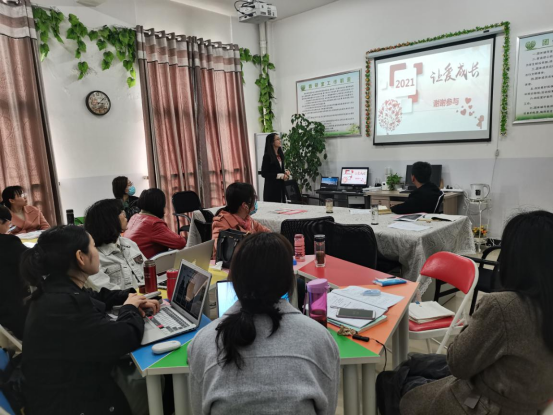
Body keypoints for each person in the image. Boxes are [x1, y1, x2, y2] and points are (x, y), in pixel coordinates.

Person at [399, 210, 553, 415]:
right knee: (414, 363)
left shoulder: (504, 307)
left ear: (513, 258)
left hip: (485, 404)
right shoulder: (537, 304)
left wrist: (477, 320)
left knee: (396, 382)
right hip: (526, 400)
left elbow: (458, 364)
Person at [188, 232, 340, 414]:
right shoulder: (321, 339)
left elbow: (198, 409)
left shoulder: (202, 342)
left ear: (234, 280)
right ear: (288, 280)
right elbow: (328, 409)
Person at [21, 225, 160, 415]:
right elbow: (124, 338)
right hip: (74, 403)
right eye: (93, 246)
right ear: (81, 257)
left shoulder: (55, 288)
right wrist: (130, 308)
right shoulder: (65, 306)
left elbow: (95, 296)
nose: (97, 252)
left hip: (66, 387)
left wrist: (130, 296)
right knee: (160, 385)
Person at [85, 199, 146, 291]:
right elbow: (106, 293)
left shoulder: (129, 244)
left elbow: (149, 273)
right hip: (126, 299)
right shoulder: (94, 257)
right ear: (109, 220)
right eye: (120, 212)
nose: (125, 214)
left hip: (147, 295)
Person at [124, 188, 186, 259]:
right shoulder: (153, 224)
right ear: (159, 205)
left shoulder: (134, 217)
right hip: (147, 263)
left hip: (131, 261)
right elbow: (180, 243)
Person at [212, 182, 270, 256]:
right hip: (231, 262)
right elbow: (221, 247)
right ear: (244, 205)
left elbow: (267, 233)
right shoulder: (221, 223)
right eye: (253, 198)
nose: (255, 202)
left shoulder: (247, 220)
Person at [0, 206, 29, 339]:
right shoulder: (9, 243)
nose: (9, 226)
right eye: (8, 223)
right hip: (10, 308)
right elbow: (32, 259)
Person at [261, 133, 290, 202]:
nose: (280, 141)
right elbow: (264, 173)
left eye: (279, 139)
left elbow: (278, 169)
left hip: (280, 186)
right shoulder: (267, 156)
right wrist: (280, 175)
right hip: (271, 188)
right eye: (277, 139)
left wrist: (285, 172)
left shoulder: (280, 155)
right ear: (272, 142)